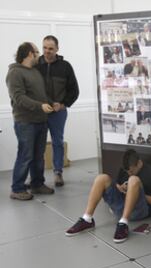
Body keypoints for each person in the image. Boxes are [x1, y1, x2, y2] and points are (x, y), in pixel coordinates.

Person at [65, 149, 151, 243]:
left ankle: (123, 224)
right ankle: (87, 219)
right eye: (127, 171)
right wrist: (121, 188)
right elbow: (117, 185)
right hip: (121, 207)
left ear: (139, 163)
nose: (129, 173)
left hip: (139, 210)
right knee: (101, 178)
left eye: (132, 171)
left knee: (133, 180)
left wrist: (134, 192)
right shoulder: (125, 169)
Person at [6, 42, 55, 200]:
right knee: (25, 155)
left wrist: (50, 102)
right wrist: (40, 106)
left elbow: (39, 94)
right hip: (25, 122)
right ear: (29, 54)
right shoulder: (15, 73)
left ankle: (37, 184)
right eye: (37, 51)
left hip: (40, 120)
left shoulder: (34, 71)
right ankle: (17, 188)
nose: (39, 54)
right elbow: (19, 98)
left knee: (38, 155)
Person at [36, 35, 79, 187]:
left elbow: (74, 90)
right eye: (44, 48)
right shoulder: (36, 65)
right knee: (38, 144)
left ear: (57, 49)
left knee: (57, 142)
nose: (47, 51)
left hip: (58, 112)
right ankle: (36, 176)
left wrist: (63, 104)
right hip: (39, 112)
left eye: (51, 49)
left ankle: (58, 173)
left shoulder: (65, 66)